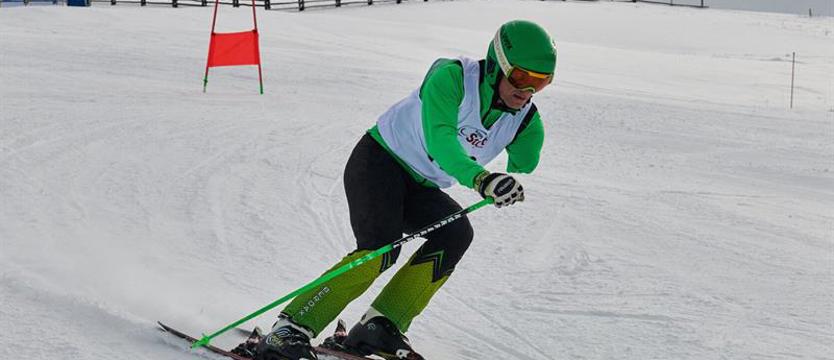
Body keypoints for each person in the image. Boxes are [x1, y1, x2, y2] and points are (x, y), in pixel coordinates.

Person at [254, 19, 557, 360]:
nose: (527, 90)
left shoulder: (524, 119)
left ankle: (381, 324)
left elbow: (525, 163)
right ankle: (290, 329)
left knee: (456, 233)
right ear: (496, 65)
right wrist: (482, 179)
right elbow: (441, 142)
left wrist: (515, 164)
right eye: (521, 77)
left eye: (541, 82)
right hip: (380, 160)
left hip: (422, 185)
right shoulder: (453, 78)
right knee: (380, 248)